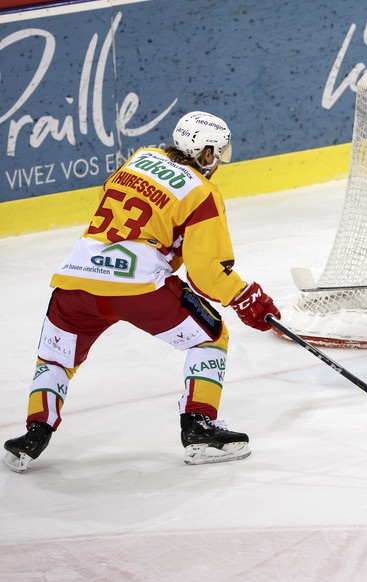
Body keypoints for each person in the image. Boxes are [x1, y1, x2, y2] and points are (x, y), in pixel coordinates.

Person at [3, 111, 281, 472]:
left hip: (76, 279)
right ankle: (199, 428)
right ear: (206, 152)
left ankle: (33, 434)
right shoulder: (202, 193)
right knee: (210, 336)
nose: (217, 162)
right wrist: (246, 297)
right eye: (216, 153)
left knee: (56, 358)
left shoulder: (139, 158)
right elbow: (207, 274)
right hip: (139, 287)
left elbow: (114, 197)